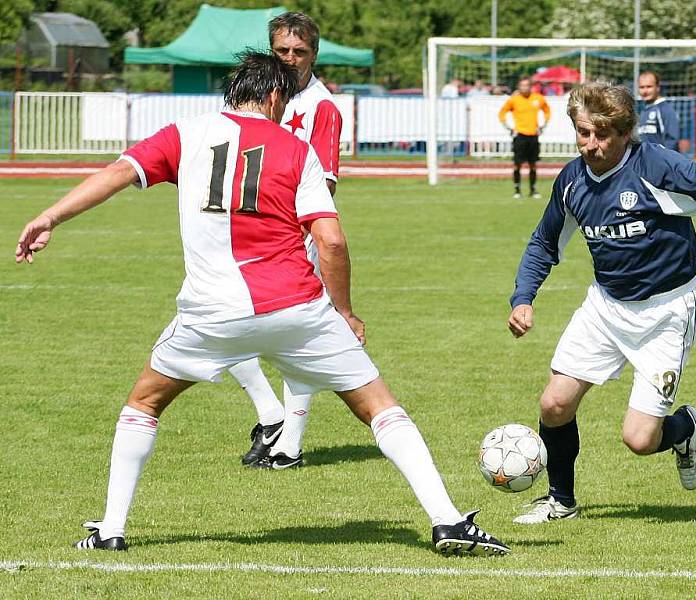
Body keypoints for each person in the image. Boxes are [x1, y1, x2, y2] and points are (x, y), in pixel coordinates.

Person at [15, 52, 509, 557]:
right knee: (380, 408)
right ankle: (447, 520)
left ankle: (111, 530)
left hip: (212, 315)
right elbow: (332, 242)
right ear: (275, 96)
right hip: (298, 309)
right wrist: (344, 311)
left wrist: (50, 217)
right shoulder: (297, 151)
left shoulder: (184, 133)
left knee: (144, 403)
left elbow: (117, 174)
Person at [507, 82, 696, 525]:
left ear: (624, 133)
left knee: (639, 439)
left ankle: (683, 429)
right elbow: (545, 242)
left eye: (602, 135)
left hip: (666, 312)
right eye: (584, 133)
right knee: (554, 405)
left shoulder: (654, 164)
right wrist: (523, 298)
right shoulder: (571, 181)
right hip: (605, 307)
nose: (592, 145)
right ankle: (560, 501)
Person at [232, 11, 345, 471]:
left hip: (297, 239)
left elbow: (325, 183)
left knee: (297, 338)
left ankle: (289, 445)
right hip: (248, 236)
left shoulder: (322, 107)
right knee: (225, 319)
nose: (291, 59)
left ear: (314, 55)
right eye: (283, 51)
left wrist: (290, 230)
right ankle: (271, 415)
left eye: (300, 52)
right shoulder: (257, 98)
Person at [499, 77, 551, 199]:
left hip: (533, 135)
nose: (525, 88)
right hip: (520, 136)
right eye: (522, 85)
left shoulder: (538, 98)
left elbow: (547, 110)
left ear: (530, 86)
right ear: (519, 87)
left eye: (527, 85)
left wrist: (543, 125)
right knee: (517, 164)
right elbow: (502, 113)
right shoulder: (514, 100)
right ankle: (517, 190)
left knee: (533, 164)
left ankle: (533, 190)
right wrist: (509, 127)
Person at [637, 71, 680, 151]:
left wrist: (664, 160)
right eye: (642, 87)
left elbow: (672, 140)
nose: (645, 91)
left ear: (657, 87)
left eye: (649, 87)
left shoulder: (665, 109)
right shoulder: (643, 110)